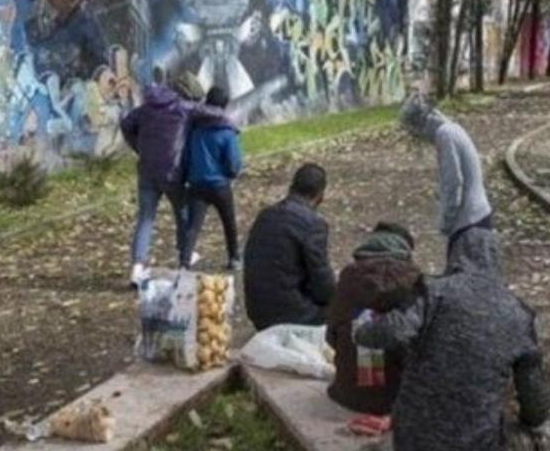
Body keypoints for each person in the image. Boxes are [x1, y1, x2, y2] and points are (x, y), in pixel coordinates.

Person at [354, 228, 550, 451]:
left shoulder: (434, 292)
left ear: (455, 257)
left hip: (411, 439)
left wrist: (361, 332)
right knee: (549, 432)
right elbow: (536, 408)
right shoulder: (520, 315)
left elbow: (392, 332)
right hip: (477, 443)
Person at [120, 72, 229, 287]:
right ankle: (184, 255)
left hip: (147, 170)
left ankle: (137, 268)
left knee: (145, 218)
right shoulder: (183, 107)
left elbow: (126, 124)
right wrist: (229, 125)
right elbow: (213, 114)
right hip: (173, 171)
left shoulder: (146, 107)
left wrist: (138, 147)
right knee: (182, 212)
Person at [326, 222, 422, 416]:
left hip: (347, 393)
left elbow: (331, 335)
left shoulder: (349, 276)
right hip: (397, 400)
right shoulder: (415, 279)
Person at [243, 163, 334, 331]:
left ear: (292, 187)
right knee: (343, 309)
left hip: (258, 311)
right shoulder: (313, 224)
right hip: (293, 314)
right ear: (321, 195)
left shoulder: (265, 215)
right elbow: (323, 286)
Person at [399, 94, 492, 250]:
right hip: (478, 215)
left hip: (469, 222)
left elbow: (454, 183)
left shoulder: (445, 135)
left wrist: (446, 223)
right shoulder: (453, 129)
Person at [181, 87, 244, 271]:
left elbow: (186, 155)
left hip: (196, 184)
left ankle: (184, 262)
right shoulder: (226, 130)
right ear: (224, 105)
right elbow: (233, 161)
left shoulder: (194, 127)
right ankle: (234, 258)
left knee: (193, 227)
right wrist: (231, 174)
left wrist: (186, 175)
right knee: (229, 222)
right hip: (220, 185)